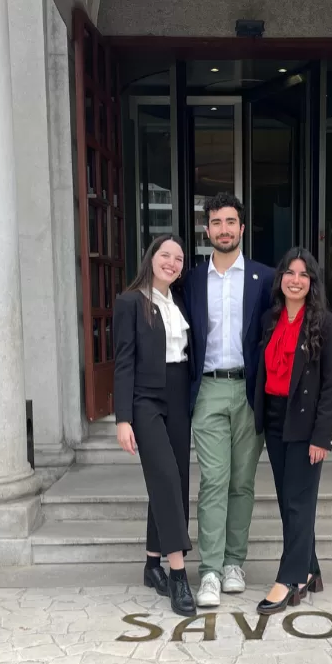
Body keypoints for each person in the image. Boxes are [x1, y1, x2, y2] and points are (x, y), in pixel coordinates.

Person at [183, 193, 274, 608]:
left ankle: (236, 562)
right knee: (215, 481)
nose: (224, 229)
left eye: (230, 222)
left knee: (242, 482)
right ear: (207, 231)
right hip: (208, 390)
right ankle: (210, 571)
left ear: (241, 227)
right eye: (216, 222)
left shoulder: (265, 278)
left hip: (249, 390)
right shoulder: (191, 279)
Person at [253, 247, 332, 615]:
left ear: (312, 283)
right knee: (289, 500)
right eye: (290, 272)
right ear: (281, 278)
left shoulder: (325, 323)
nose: (295, 279)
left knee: (298, 501)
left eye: (303, 275)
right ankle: (311, 568)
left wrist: (322, 436)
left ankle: (289, 579)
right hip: (275, 420)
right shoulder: (270, 320)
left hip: (306, 425)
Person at [113, 235, 196, 617]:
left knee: (175, 478)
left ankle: (151, 564)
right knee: (163, 476)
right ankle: (178, 574)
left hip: (178, 395)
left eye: (179, 258)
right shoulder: (130, 302)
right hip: (145, 399)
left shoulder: (178, 302)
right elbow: (124, 362)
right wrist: (123, 418)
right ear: (151, 258)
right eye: (166, 255)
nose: (173, 262)